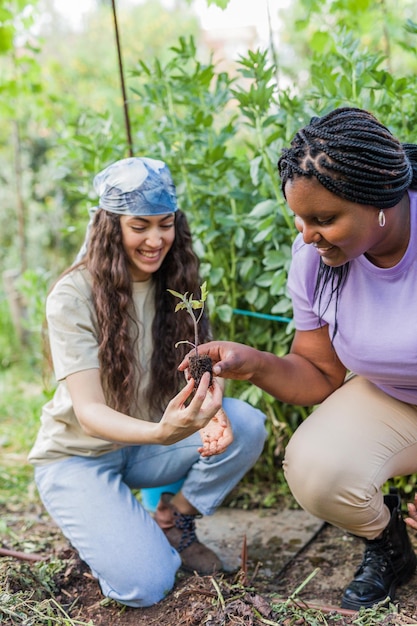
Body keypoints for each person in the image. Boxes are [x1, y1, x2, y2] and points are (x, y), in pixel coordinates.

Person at [179, 107, 417, 611]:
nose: (307, 235)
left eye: (324, 220)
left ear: (381, 198)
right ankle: (390, 545)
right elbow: (321, 373)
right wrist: (254, 363)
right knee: (316, 469)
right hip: (397, 396)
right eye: (301, 219)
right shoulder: (316, 259)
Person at [28, 157, 267, 608]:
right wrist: (161, 432)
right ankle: (106, 527)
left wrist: (211, 411)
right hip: (78, 457)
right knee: (146, 585)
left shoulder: (179, 283)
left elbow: (197, 372)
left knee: (247, 424)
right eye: (139, 226)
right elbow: (90, 413)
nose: (155, 240)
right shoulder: (73, 295)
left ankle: (170, 521)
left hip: (144, 447)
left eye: (165, 224)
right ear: (109, 226)